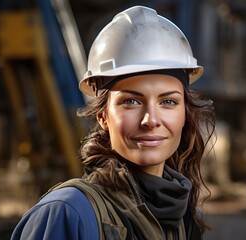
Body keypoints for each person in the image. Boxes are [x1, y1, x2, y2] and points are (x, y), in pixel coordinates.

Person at [11, 5, 215, 240]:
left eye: (168, 102)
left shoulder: (186, 219)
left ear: (184, 115)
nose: (151, 120)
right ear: (103, 117)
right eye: (131, 101)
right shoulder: (67, 214)